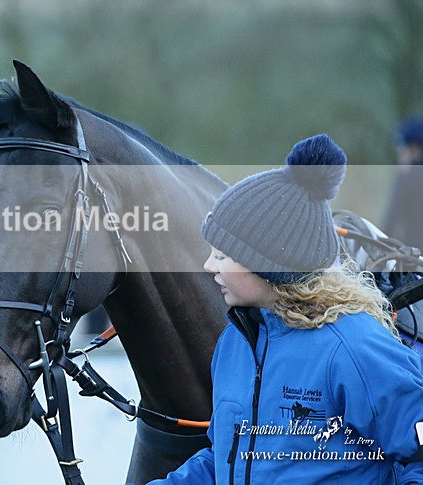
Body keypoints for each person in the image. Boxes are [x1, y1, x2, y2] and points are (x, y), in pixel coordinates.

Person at [146, 134, 423, 484]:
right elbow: (221, 459)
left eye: (221, 255)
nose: (208, 265)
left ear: (268, 265)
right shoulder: (235, 342)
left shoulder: (354, 346)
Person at [382, 116, 423, 251]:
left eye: (402, 148)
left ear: (414, 150)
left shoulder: (407, 178)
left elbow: (389, 224)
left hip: (415, 258)